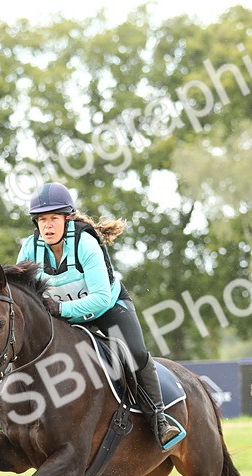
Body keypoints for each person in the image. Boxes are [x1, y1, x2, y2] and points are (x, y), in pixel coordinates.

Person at [16, 181, 183, 450]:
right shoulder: (30, 248)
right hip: (63, 316)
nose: (47, 226)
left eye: (54, 218)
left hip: (108, 309)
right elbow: (21, 294)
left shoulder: (85, 243)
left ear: (67, 219)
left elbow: (101, 298)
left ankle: (159, 419)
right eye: (42, 220)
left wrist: (61, 309)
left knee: (135, 353)